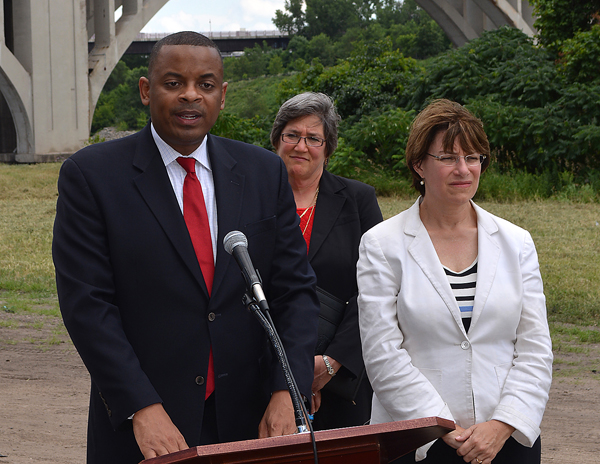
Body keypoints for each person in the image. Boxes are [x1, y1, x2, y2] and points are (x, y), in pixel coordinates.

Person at [52, 32, 319, 464]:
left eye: (206, 85)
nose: (190, 96)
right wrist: (140, 406)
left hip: (249, 423)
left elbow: (295, 292)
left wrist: (287, 389)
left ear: (223, 95)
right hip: (145, 426)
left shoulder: (263, 172)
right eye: (173, 83)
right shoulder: (92, 177)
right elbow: (88, 306)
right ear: (146, 89)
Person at [357, 99, 553, 463]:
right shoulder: (382, 244)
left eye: (473, 157)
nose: (463, 169)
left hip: (505, 440)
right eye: (448, 157)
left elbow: (535, 348)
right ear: (419, 164)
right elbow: (382, 352)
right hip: (418, 440)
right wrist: (443, 426)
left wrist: (503, 424)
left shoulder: (517, 242)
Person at [270, 92, 383, 430]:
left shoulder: (358, 200)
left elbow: (377, 287)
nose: (300, 146)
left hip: (339, 376)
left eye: (313, 138)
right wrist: (285, 373)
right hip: (262, 375)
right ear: (277, 140)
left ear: (328, 147)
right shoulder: (251, 198)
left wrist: (330, 363)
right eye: (291, 135)